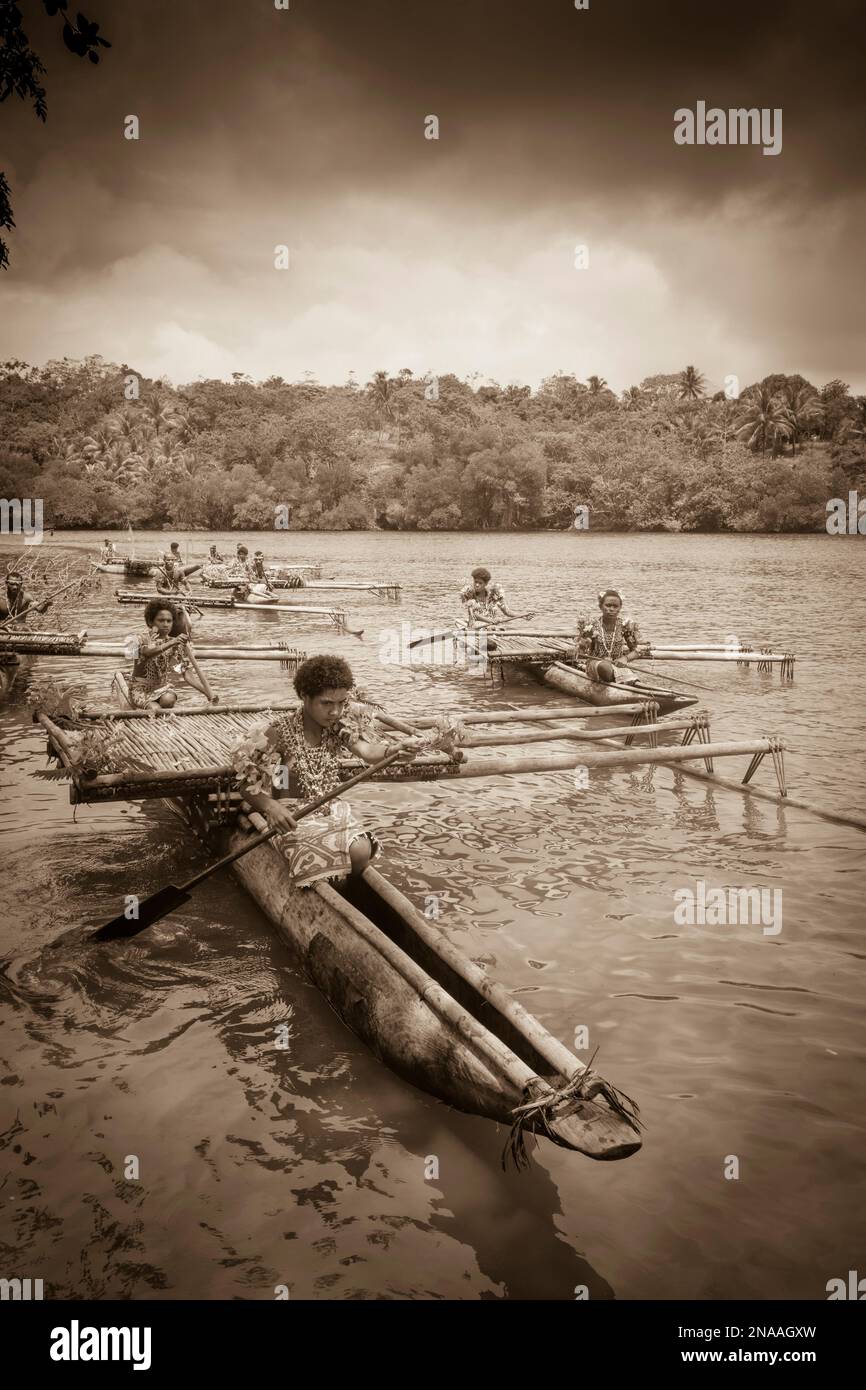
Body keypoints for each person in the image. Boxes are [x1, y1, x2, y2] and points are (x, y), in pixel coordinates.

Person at [232, 655, 418, 888]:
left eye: (341, 703)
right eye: (327, 703)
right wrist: (272, 807)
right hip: (291, 818)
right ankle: (339, 887)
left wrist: (395, 750)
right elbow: (246, 786)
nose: (336, 712)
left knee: (362, 848)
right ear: (304, 696)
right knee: (356, 853)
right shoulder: (276, 734)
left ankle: (342, 887)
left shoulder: (338, 728)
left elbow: (367, 751)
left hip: (331, 810)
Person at [127, 600, 214, 708]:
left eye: (169, 621)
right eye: (161, 620)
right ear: (150, 622)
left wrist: (208, 693)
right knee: (155, 708)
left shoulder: (176, 643)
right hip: (139, 689)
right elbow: (148, 653)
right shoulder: (138, 639)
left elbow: (186, 674)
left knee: (169, 699)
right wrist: (172, 642)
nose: (165, 624)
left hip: (161, 688)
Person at [574, 589, 647, 683]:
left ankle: (621, 680)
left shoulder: (625, 625)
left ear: (620, 608)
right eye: (608, 605)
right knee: (605, 666)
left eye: (615, 606)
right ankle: (621, 681)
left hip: (617, 664)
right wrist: (583, 644)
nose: (611, 609)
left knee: (616, 671)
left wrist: (625, 658)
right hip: (596, 664)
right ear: (600, 606)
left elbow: (637, 650)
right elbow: (581, 652)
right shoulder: (590, 626)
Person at [459, 567, 533, 624]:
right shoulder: (469, 593)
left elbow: (507, 612)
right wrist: (490, 621)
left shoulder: (495, 594)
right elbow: (474, 614)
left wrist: (523, 616)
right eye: (475, 582)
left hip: (492, 627)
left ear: (486, 584)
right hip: (476, 626)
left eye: (480, 583)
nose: (477, 585)